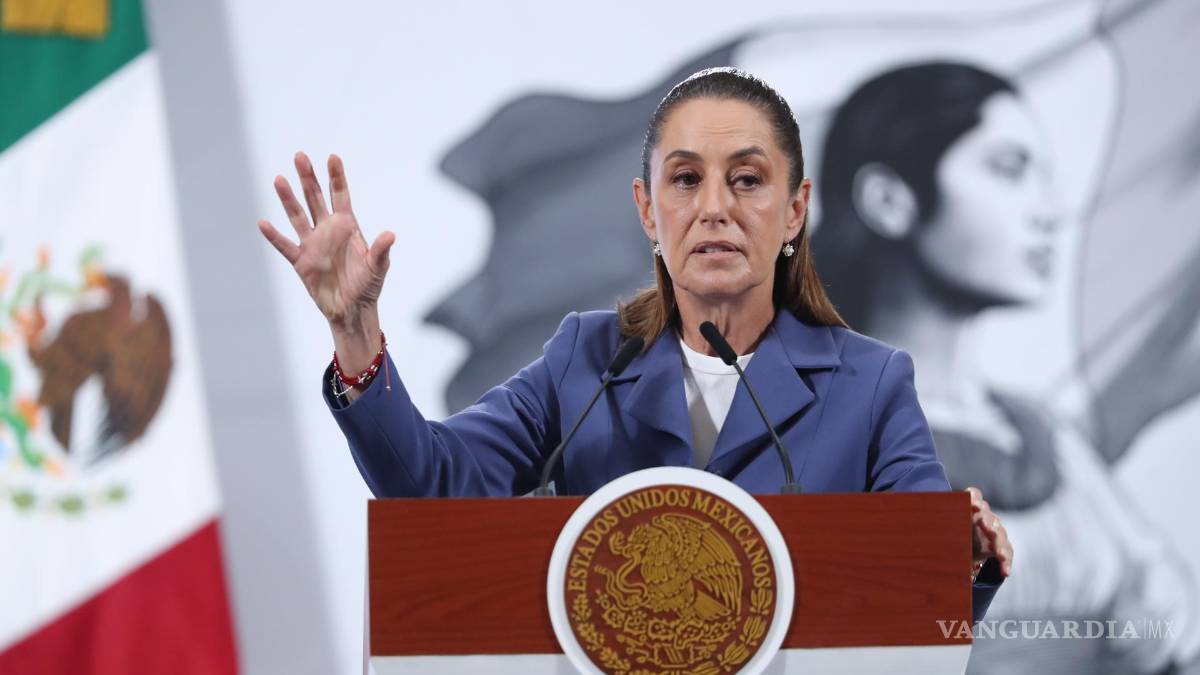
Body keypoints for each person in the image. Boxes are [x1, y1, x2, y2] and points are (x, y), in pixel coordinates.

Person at [256, 67, 1013, 623]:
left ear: (795, 210)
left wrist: (962, 558)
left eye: (747, 179)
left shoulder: (871, 384)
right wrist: (355, 332)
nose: (713, 207)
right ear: (648, 211)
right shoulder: (587, 359)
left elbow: (923, 602)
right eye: (685, 180)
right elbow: (434, 490)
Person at [813, 62, 1198, 674]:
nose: (1048, 212)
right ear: (889, 200)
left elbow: (1165, 628)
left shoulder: (1043, 435)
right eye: (1008, 169)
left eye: (1045, 178)